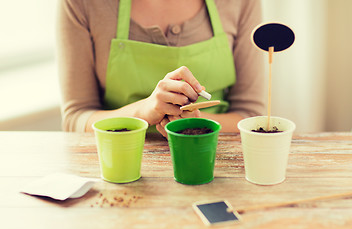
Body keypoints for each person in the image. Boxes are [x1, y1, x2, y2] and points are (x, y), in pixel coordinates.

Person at [57, 0, 265, 137]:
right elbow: (75, 118)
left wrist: (197, 124)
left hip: (214, 161)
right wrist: (143, 111)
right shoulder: (82, 4)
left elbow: (251, 115)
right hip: (122, 164)